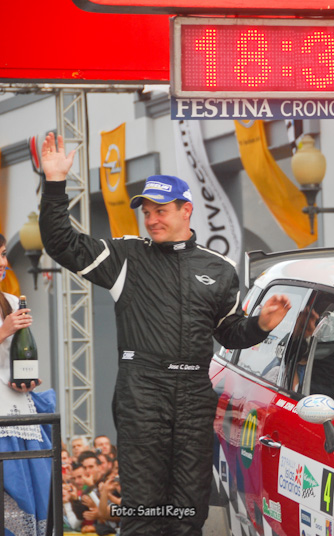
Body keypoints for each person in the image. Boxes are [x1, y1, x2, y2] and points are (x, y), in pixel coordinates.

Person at [39, 132, 292, 536]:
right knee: (144, 510)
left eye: (161, 211)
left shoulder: (220, 268)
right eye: (147, 212)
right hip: (143, 389)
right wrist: (55, 183)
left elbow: (229, 334)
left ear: (186, 210)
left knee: (188, 510)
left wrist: (260, 325)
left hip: (194, 391)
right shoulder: (127, 256)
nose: (152, 220)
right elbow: (61, 243)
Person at [0, 234, 55, 536]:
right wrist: (3, 331)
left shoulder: (11, 302)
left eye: (3, 254)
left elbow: (17, 358)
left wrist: (26, 381)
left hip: (18, 411)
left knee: (32, 496)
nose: (3, 262)